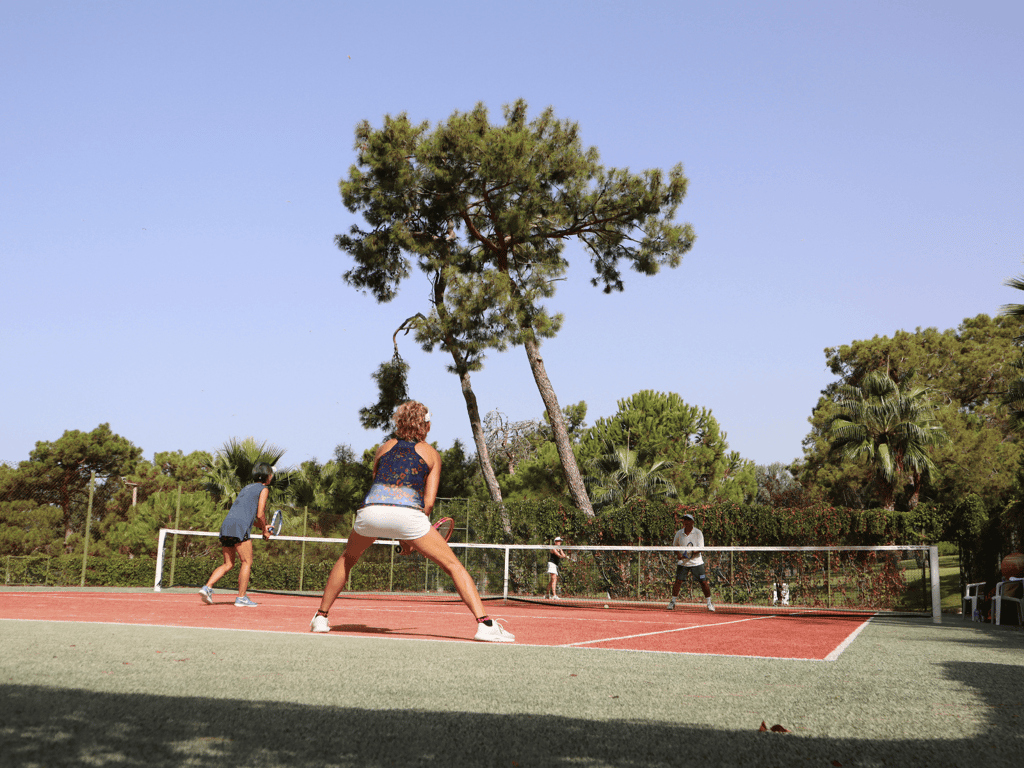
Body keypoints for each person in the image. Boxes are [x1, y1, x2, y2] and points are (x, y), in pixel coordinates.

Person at [310, 401, 514, 642]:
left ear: (400, 421)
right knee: (454, 566)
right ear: (425, 425)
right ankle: (485, 624)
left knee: (347, 558)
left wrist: (404, 536)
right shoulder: (431, 454)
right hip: (408, 515)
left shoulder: (384, 447)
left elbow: (381, 488)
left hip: (370, 511)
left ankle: (320, 617)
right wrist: (408, 537)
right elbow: (427, 504)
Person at [199, 462, 275, 607]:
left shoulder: (246, 488)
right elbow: (260, 514)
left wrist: (263, 527)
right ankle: (241, 598)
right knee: (246, 562)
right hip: (239, 527)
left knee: (228, 564)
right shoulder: (264, 489)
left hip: (227, 525)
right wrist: (265, 530)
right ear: (268, 476)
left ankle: (207, 587)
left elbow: (249, 517)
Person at [667, 513, 715, 612]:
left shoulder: (698, 533)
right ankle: (672, 602)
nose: (686, 522)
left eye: (688, 520)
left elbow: (701, 548)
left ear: (692, 522)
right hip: (683, 563)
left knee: (703, 582)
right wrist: (678, 555)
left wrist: (691, 553)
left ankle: (709, 603)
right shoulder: (679, 533)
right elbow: (675, 546)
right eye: (684, 520)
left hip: (696, 562)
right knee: (678, 582)